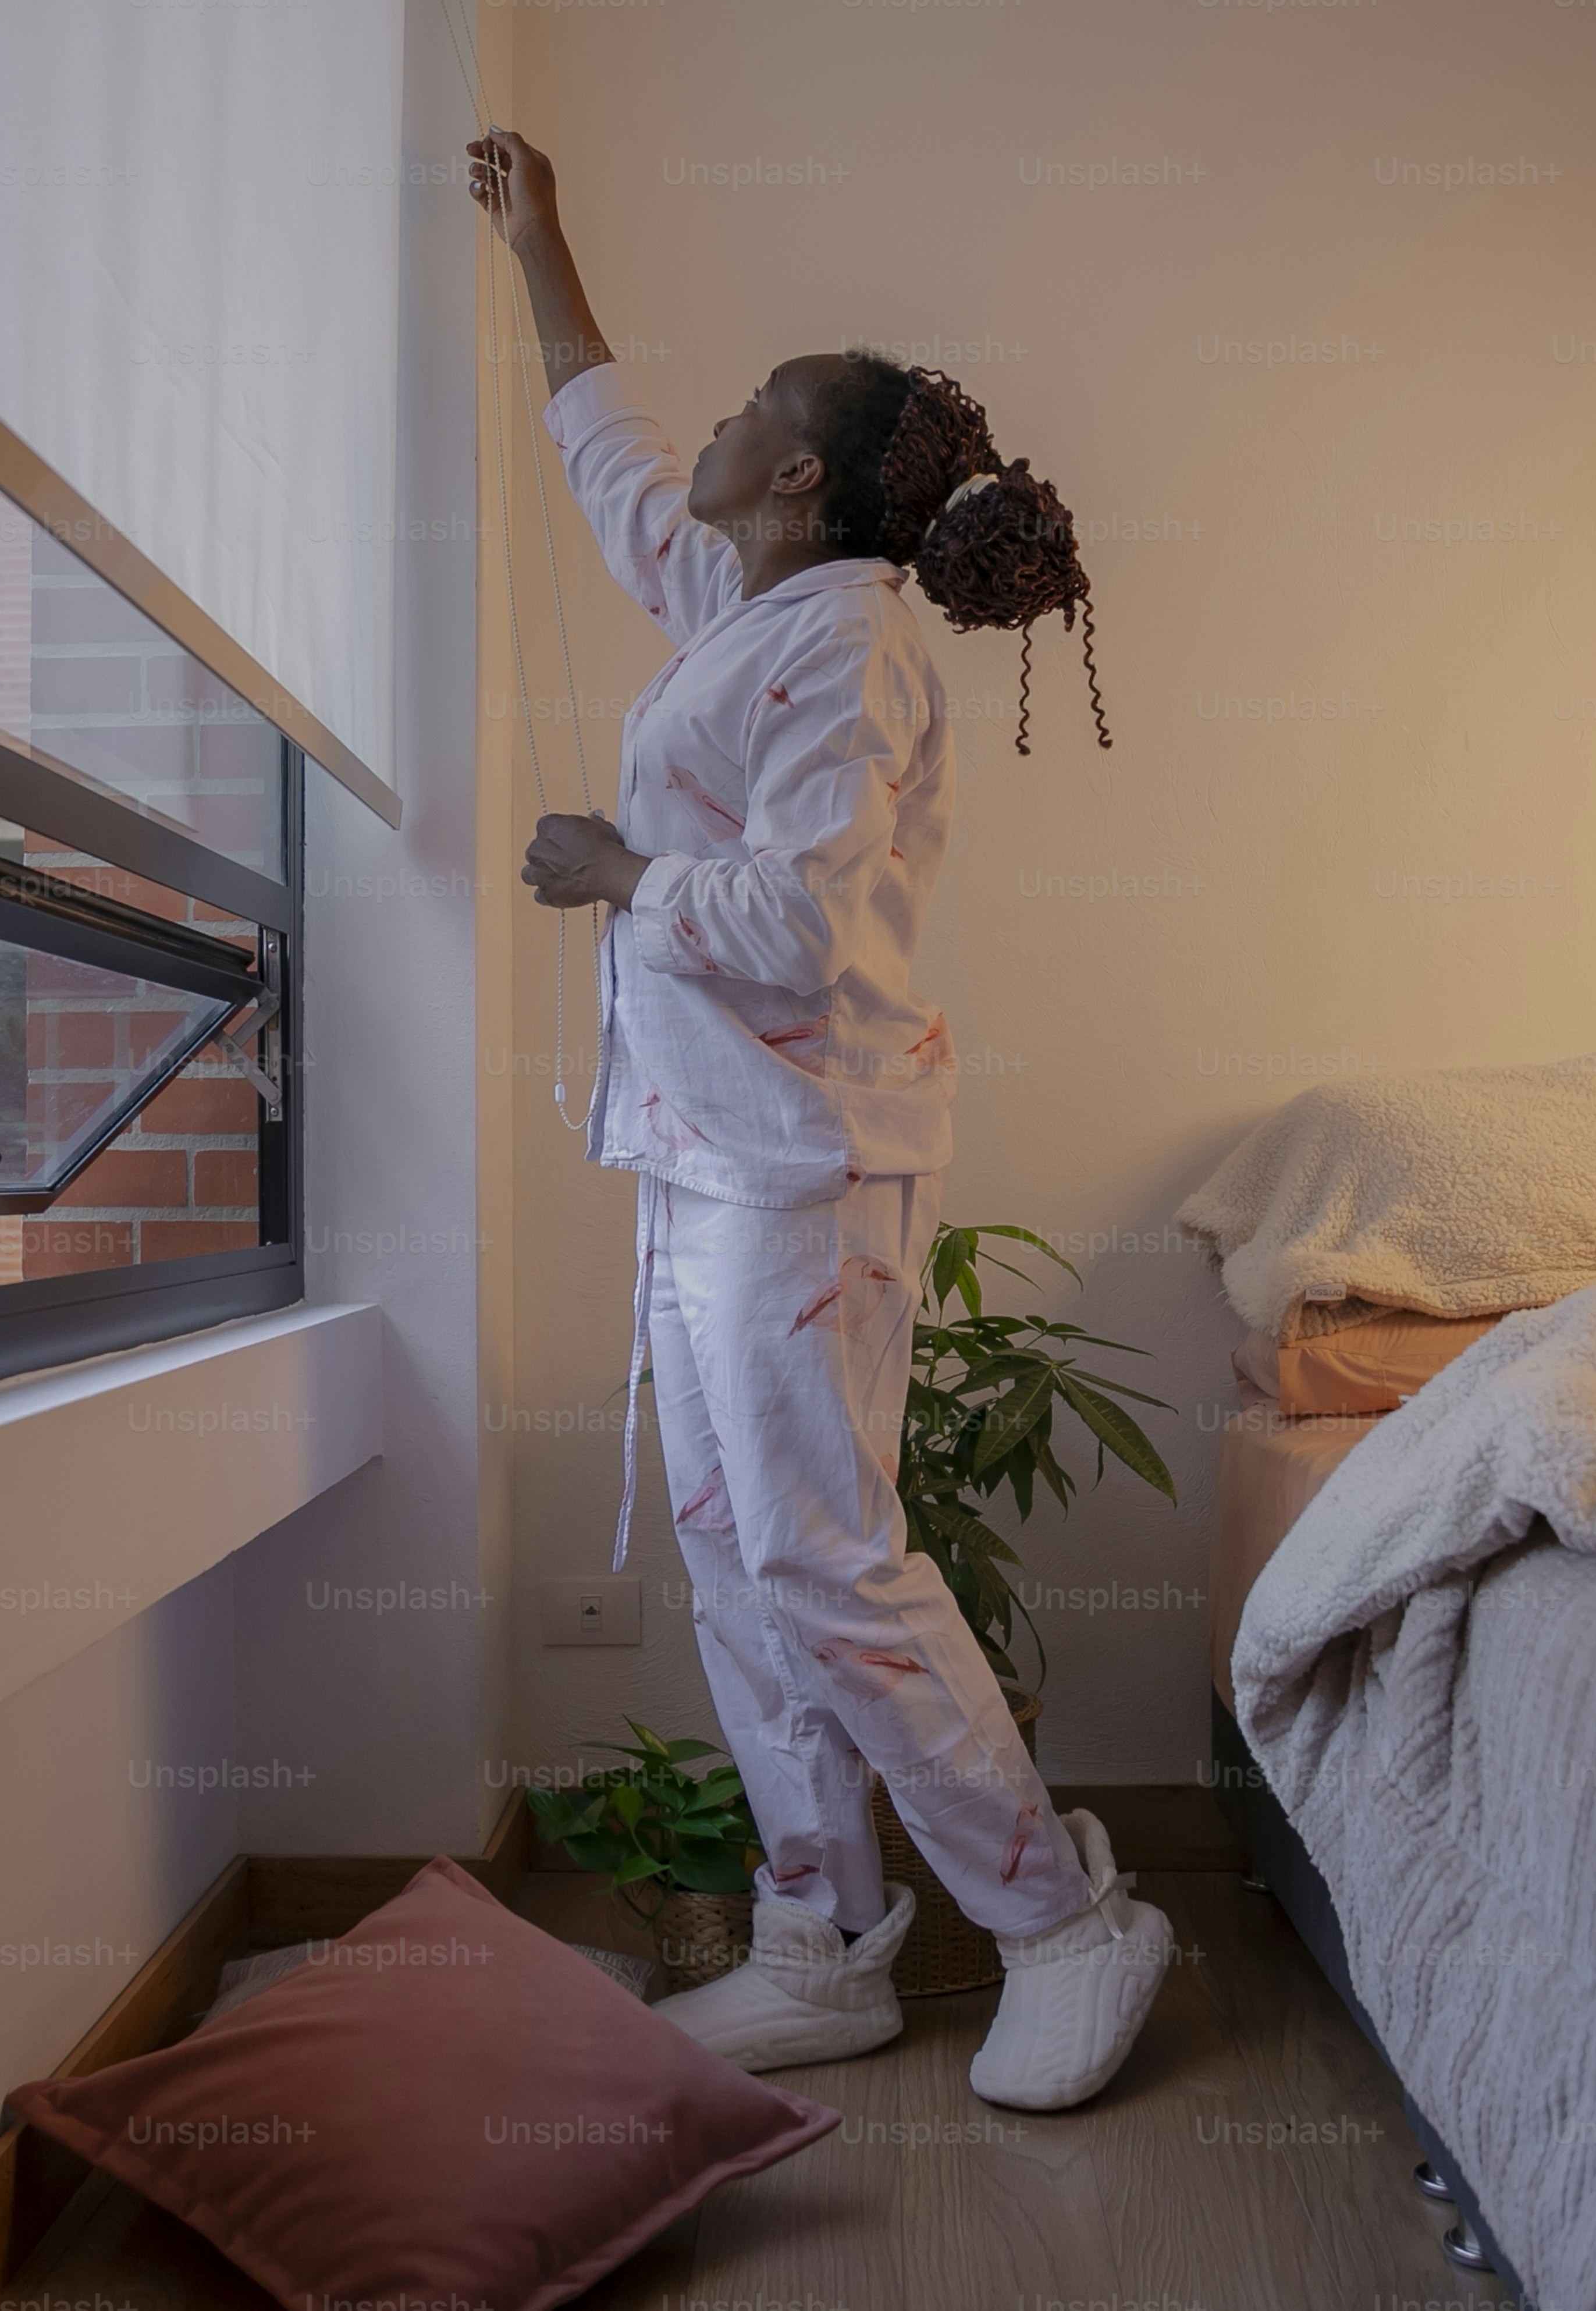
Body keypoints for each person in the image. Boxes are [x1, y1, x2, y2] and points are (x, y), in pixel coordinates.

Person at [468, 128, 1164, 2112]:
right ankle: (820, 1939)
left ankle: (1063, 1924)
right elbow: (611, 455)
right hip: (700, 1161)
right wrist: (542, 239)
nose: (720, 417)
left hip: (803, 1170)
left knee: (825, 1554)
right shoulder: (738, 603)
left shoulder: (851, 645)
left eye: (758, 408)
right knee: (738, 1557)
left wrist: (619, 872)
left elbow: (800, 920)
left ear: (799, 477)